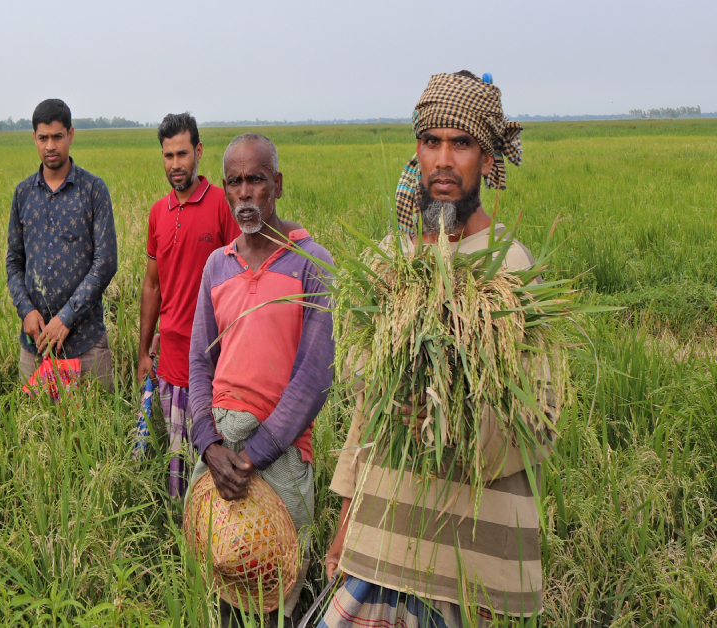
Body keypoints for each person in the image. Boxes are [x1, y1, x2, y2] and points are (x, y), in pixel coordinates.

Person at [321, 71, 549, 628]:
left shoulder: (511, 270)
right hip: (380, 545)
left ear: (488, 161)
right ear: (416, 154)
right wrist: (346, 518)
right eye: (432, 142)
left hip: (468, 558)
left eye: (462, 143)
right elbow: (366, 408)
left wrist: (454, 418)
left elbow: (539, 415)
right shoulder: (388, 262)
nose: (444, 159)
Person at [188, 133, 336, 626]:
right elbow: (199, 366)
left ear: (277, 184)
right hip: (219, 448)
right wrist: (209, 446)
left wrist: (252, 456)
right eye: (235, 182)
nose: (245, 193)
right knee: (220, 580)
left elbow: (315, 376)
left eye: (256, 180)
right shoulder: (217, 266)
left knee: (277, 593)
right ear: (225, 188)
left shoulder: (312, 263)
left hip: (280, 450)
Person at [138, 112, 239, 497]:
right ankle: (180, 537)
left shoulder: (220, 205)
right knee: (174, 461)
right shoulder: (157, 213)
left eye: (182, 154)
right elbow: (152, 286)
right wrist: (144, 350)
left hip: (213, 361)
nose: (176, 164)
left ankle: (211, 536)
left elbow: (239, 279)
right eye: (168, 156)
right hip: (170, 358)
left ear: (198, 152)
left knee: (213, 458)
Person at [6, 98, 118, 390]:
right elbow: (14, 261)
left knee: (98, 427)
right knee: (37, 430)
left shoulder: (93, 190)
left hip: (86, 344)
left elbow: (105, 263)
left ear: (70, 135)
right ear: (34, 138)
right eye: (42, 138)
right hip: (36, 345)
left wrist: (66, 318)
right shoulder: (23, 195)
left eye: (57, 136)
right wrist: (25, 309)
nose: (50, 146)